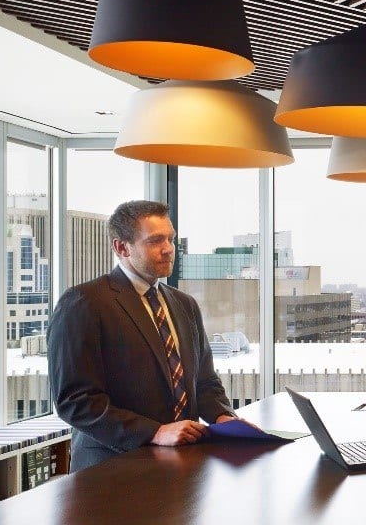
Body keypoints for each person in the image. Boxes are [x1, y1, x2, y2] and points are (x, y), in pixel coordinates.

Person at [48, 200, 235, 471]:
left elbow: (203, 382)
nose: (168, 249)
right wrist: (154, 432)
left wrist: (224, 418)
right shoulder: (84, 303)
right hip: (112, 470)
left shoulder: (185, 305)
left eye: (170, 239)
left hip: (183, 466)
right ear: (121, 247)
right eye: (155, 241)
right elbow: (76, 402)